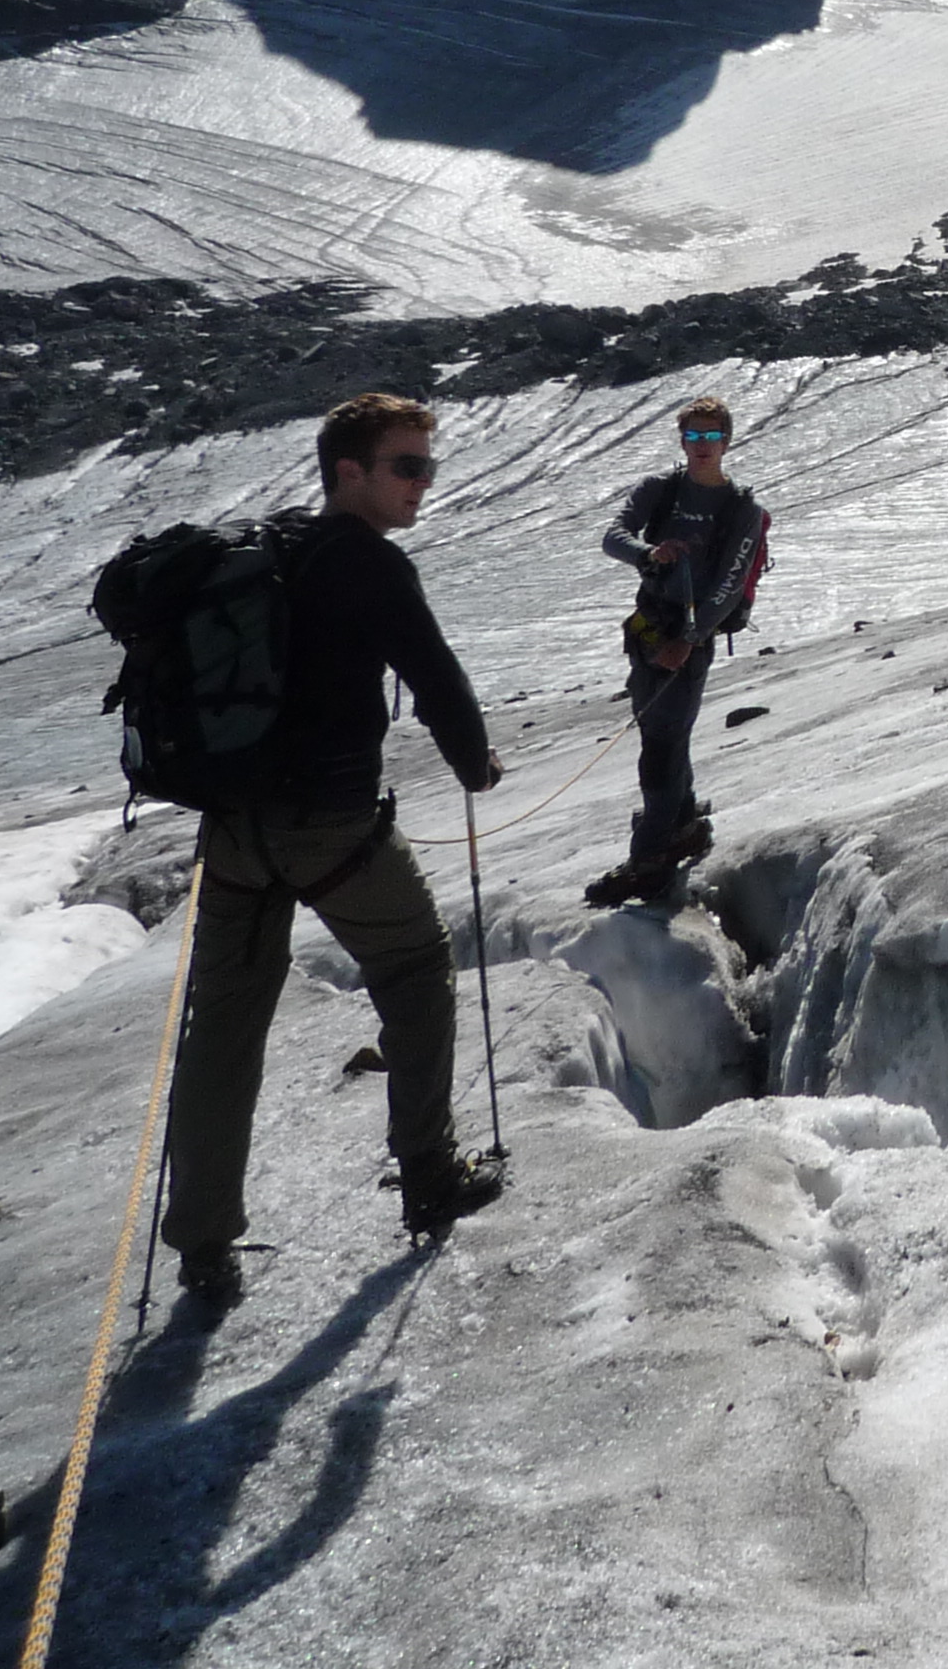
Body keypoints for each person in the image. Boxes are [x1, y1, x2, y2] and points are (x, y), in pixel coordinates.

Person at [162, 392, 505, 1299]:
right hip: (333, 828)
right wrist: (474, 765)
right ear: (349, 472)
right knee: (416, 969)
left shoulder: (270, 548)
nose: (423, 483)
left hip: (232, 830)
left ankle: (202, 1244)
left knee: (223, 1027)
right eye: (407, 466)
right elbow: (436, 679)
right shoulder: (370, 563)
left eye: (427, 465)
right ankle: (429, 1173)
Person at [585, 396, 764, 908]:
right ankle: (682, 825)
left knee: (661, 746)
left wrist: (689, 638)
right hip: (648, 632)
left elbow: (729, 583)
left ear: (726, 441)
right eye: (694, 436)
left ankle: (649, 860)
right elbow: (613, 537)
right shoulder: (659, 490)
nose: (702, 445)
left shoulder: (742, 510)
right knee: (662, 733)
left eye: (712, 436)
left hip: (686, 642)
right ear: (682, 441)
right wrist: (649, 553)